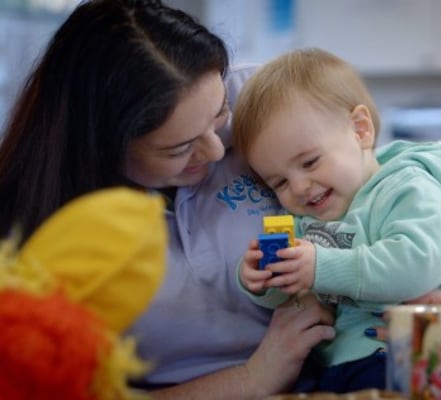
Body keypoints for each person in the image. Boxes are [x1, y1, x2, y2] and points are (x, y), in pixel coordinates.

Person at [0, 1, 336, 398]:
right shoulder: (38, 236)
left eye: (218, 115)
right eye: (180, 148)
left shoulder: (261, 100)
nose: (215, 151)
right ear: (103, 146)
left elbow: (371, 187)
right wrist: (254, 376)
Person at [232, 48, 441, 393]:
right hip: (331, 360)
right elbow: (294, 292)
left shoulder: (409, 187)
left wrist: (319, 267)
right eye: (279, 182)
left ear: (360, 130)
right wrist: (262, 279)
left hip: (406, 354)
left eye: (310, 162)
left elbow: (417, 264)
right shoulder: (303, 216)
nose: (299, 187)